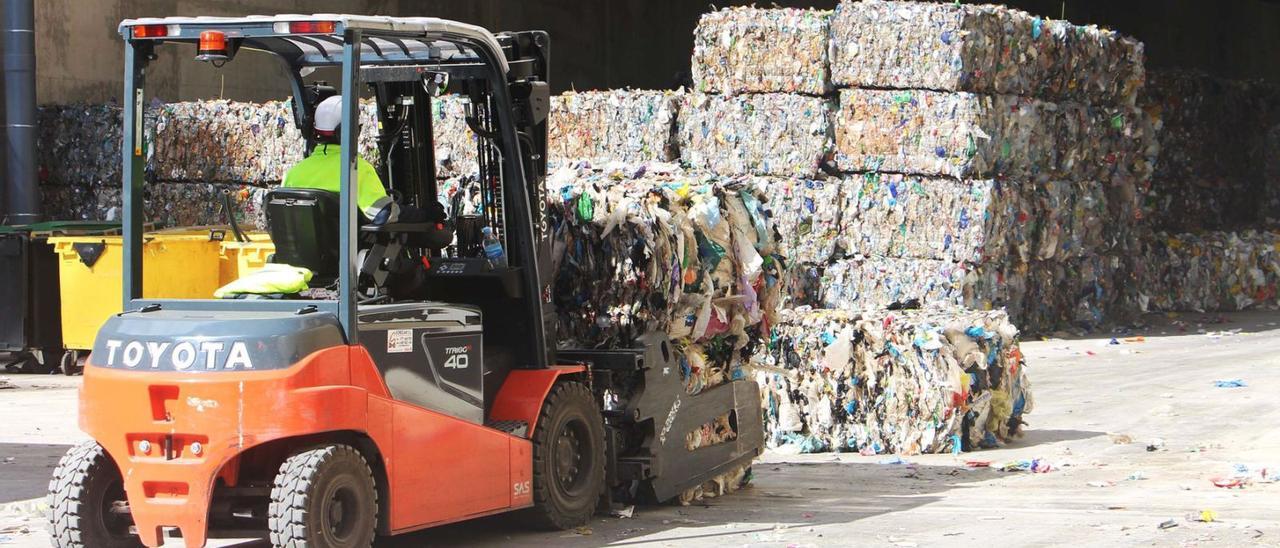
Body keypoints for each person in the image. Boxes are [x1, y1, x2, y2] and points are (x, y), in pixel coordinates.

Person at [283, 95, 402, 224]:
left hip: (303, 244)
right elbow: (383, 214)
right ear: (352, 131)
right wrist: (420, 214)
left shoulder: (292, 174)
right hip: (346, 244)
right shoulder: (356, 169)